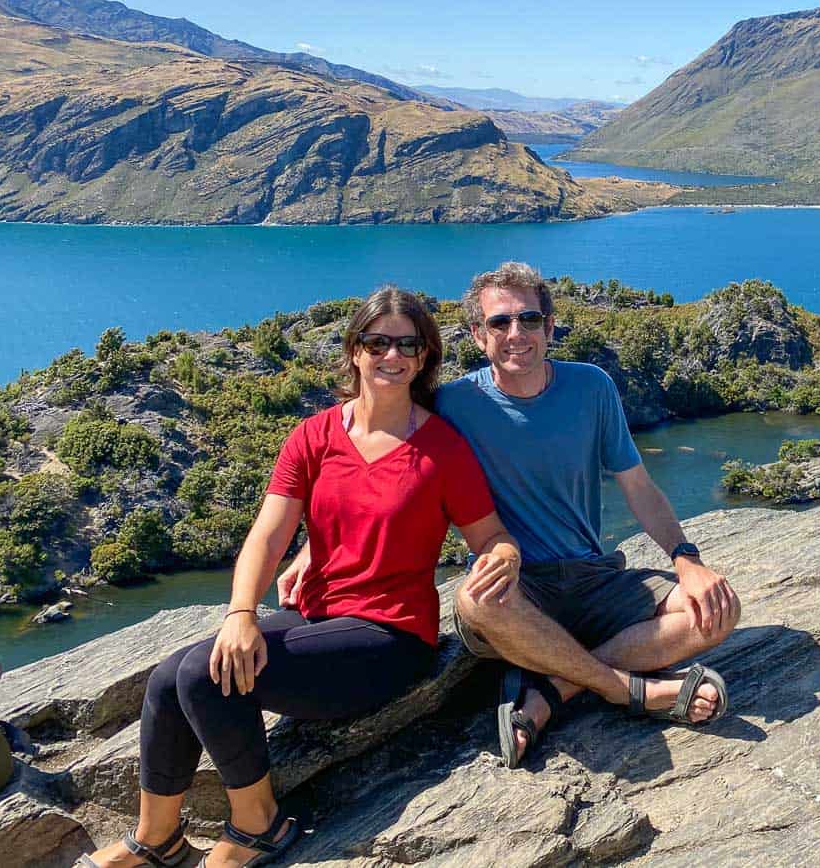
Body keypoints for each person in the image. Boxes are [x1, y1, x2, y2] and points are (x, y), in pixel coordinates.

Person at [80, 287, 520, 868]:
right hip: (313, 616)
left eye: (407, 345)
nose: (392, 355)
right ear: (355, 350)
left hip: (388, 637)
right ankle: (157, 838)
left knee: (206, 677)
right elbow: (268, 533)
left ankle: (259, 826)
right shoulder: (315, 436)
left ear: (424, 358)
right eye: (378, 341)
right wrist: (241, 612)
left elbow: (489, 535)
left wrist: (505, 555)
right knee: (168, 677)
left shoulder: (441, 449)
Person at [430, 262, 743, 766]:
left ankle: (552, 691)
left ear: (550, 328)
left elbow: (639, 487)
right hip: (519, 587)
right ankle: (628, 689)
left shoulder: (590, 388)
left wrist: (687, 559)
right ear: (476, 334)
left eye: (530, 320)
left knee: (717, 612)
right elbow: (387, 468)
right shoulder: (454, 403)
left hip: (591, 577)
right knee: (474, 602)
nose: (516, 334)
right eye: (499, 322)